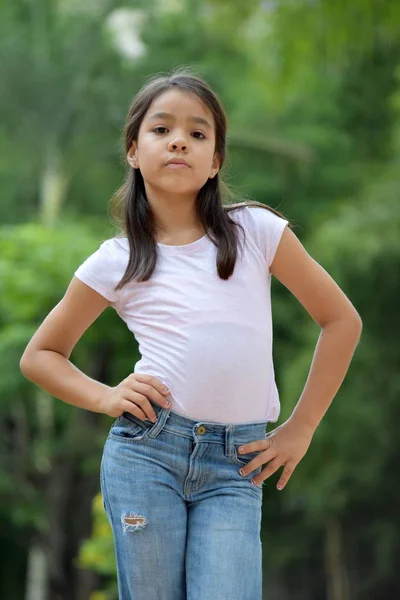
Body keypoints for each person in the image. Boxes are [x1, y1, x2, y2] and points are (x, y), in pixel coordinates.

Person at [19, 67, 362, 600]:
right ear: (134, 150)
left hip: (236, 463)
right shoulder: (117, 260)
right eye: (162, 130)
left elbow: (342, 321)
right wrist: (107, 396)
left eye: (198, 134)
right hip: (147, 452)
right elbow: (41, 355)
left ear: (215, 161)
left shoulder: (257, 231)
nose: (180, 140)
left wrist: (302, 425)